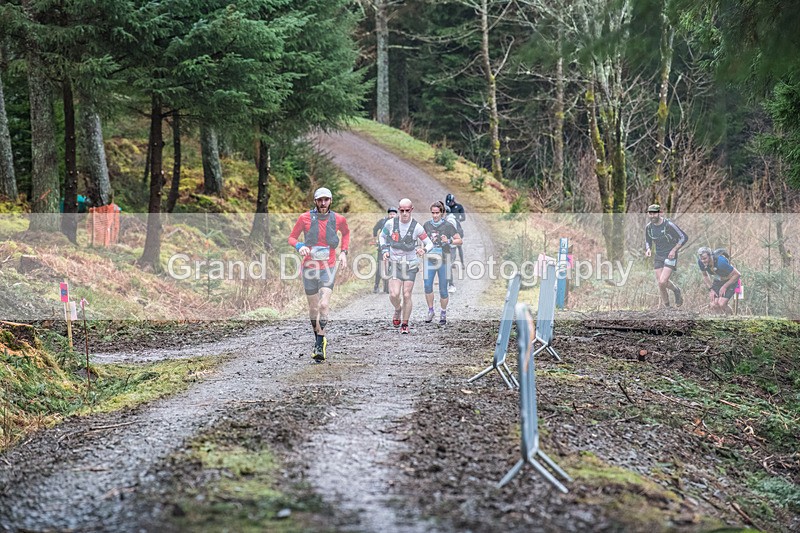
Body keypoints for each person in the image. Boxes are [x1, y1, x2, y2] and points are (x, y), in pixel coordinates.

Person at [288, 187, 350, 362]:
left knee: (323, 305)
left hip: (328, 267)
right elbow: (292, 238)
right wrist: (300, 246)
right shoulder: (304, 218)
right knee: (314, 309)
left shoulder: (338, 219)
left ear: (331, 201)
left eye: (326, 200)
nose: (323, 203)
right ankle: (318, 340)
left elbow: (346, 233)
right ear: (315, 201)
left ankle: (320, 341)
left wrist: (344, 252)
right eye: (320, 200)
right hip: (309, 268)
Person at [379, 198, 433, 334]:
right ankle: (398, 308)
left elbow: (429, 243)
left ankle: (405, 324)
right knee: (394, 294)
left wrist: (424, 250)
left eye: (407, 211)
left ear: (411, 210)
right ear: (398, 210)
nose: (404, 213)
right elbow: (382, 237)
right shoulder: (391, 224)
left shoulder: (417, 227)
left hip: (410, 263)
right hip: (395, 262)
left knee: (407, 294)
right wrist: (385, 251)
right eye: (401, 211)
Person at [423, 201, 462, 325]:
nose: (435, 216)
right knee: (427, 286)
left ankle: (443, 312)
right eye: (433, 213)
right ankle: (430, 311)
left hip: (444, 260)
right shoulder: (427, 225)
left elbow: (459, 240)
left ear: (442, 213)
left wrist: (449, 240)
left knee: (443, 289)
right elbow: (422, 240)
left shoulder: (448, 225)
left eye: (437, 213)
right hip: (429, 260)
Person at [644, 203, 687, 308]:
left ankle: (676, 291)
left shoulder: (669, 225)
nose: (652, 216)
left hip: (670, 255)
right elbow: (647, 240)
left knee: (663, 281)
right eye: (650, 213)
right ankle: (667, 307)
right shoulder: (649, 227)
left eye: (655, 213)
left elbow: (684, 237)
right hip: (658, 255)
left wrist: (674, 250)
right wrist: (648, 249)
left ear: (660, 213)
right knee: (661, 284)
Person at [697, 247, 740, 315]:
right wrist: (711, 289)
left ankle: (733, 318)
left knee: (722, 303)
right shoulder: (701, 262)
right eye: (701, 259)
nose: (703, 261)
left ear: (710, 256)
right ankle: (719, 320)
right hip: (718, 280)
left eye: (705, 258)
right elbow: (705, 276)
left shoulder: (721, 262)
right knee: (714, 305)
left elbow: (737, 275)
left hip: (731, 280)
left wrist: (725, 286)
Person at [372, 207, 398, 293]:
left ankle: (391, 286)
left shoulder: (399, 223)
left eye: (393, 214)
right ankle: (376, 285)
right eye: (390, 214)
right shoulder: (383, 221)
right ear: (388, 214)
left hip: (394, 247)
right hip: (382, 247)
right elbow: (375, 229)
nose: (392, 216)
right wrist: (376, 239)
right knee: (380, 267)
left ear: (396, 215)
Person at [445, 193, 466, 291]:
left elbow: (463, 218)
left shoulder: (459, 207)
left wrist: (456, 219)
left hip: (457, 232)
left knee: (459, 247)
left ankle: (462, 262)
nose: (450, 204)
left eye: (451, 202)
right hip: (449, 240)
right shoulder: (447, 211)